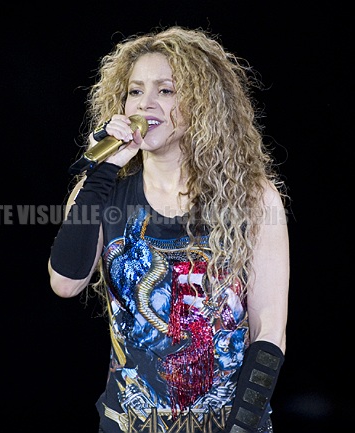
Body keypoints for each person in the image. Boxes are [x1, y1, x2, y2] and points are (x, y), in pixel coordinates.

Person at [48, 26, 289, 433]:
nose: (146, 103)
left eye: (166, 90)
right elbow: (66, 282)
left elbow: (269, 331)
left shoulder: (252, 197)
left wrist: (242, 426)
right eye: (135, 91)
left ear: (202, 103)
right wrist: (103, 170)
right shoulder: (101, 191)